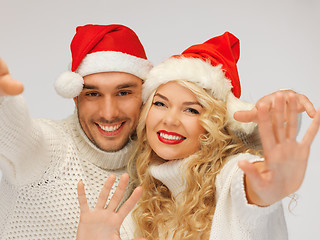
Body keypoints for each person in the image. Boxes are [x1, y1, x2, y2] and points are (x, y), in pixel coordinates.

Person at [0, 24, 316, 240]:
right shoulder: (144, 198)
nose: (109, 112)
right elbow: (18, 134)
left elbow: (252, 187)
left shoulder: (229, 175)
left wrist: (272, 165)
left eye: (192, 109)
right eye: (162, 104)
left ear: (141, 98)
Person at [0, 24, 153, 239]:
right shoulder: (50, 153)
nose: (109, 113)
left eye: (123, 92)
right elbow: (16, 136)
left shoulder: (153, 165)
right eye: (93, 94)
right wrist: (4, 101)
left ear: (145, 95)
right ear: (75, 97)